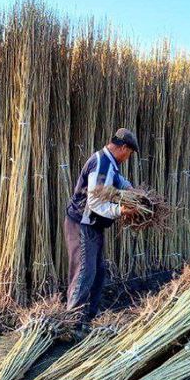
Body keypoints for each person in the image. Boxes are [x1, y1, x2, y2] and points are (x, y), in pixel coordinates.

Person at [64, 128, 139, 319]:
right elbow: (95, 203)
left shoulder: (109, 163)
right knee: (84, 272)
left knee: (98, 273)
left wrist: (130, 189)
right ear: (123, 148)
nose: (128, 158)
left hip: (93, 225)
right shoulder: (100, 164)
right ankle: (73, 319)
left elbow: (116, 179)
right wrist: (120, 210)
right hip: (82, 224)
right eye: (130, 153)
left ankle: (89, 316)